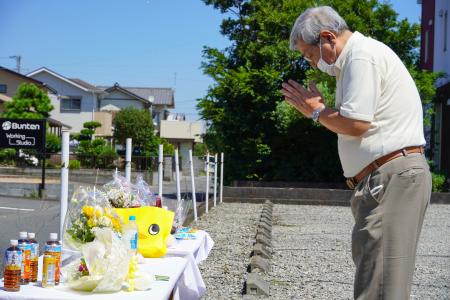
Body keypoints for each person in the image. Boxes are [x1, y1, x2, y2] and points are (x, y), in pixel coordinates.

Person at [281, 6, 431, 300]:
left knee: (380, 286)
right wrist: (320, 112)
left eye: (310, 56)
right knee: (378, 280)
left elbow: (356, 123)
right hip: (388, 177)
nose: (312, 65)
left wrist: (317, 112)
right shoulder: (358, 58)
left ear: (327, 38)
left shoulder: (360, 57)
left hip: (392, 175)